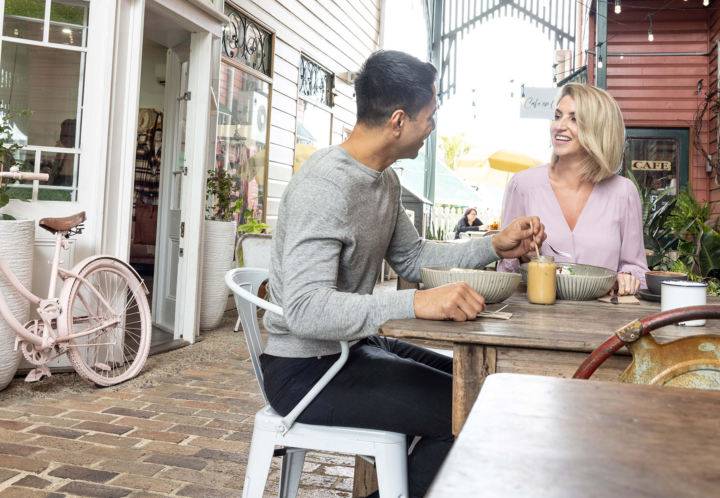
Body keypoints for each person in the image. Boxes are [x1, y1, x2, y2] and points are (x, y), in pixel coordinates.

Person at [260, 50, 546, 498]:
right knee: (470, 412)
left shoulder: (384, 181)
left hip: (352, 350)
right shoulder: (324, 186)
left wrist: (492, 245)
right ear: (398, 121)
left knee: (481, 390)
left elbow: (413, 258)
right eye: (429, 118)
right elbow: (305, 309)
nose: (433, 128)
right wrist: (416, 302)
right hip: (304, 370)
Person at [496, 82, 648, 295]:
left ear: (599, 129)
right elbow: (505, 271)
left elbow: (636, 267)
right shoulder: (522, 185)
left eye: (574, 119)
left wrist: (627, 278)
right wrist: (519, 256)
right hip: (535, 319)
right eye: (558, 116)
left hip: (603, 321)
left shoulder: (624, 192)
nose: (559, 125)